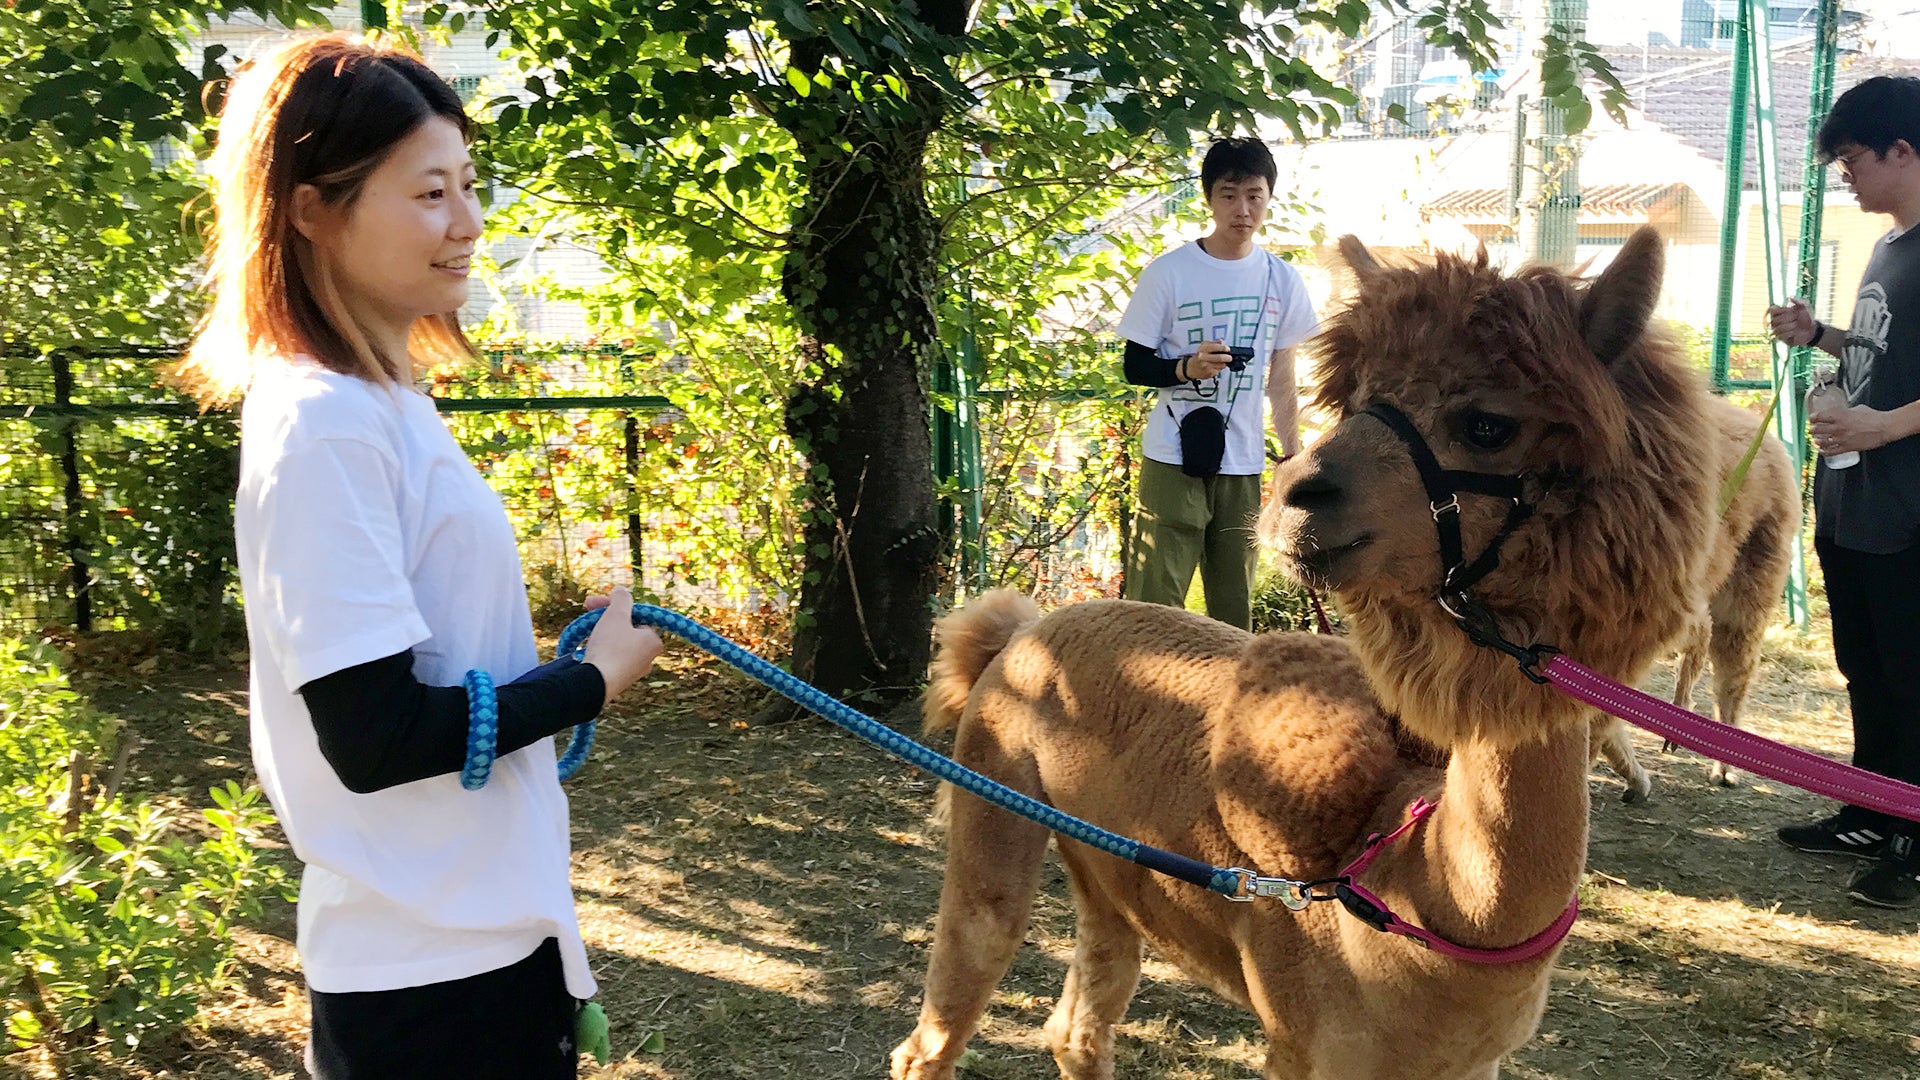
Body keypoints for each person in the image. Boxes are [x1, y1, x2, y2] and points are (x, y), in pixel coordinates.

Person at [171, 34, 665, 1075]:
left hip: (478, 949)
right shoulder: (322, 425)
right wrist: (586, 684)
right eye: (430, 192)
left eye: (469, 186)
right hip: (429, 988)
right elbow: (376, 736)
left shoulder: (381, 405)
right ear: (310, 208)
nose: (468, 224)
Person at [1767, 75, 1920, 910]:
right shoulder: (1892, 245)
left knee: (1909, 675)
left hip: (1908, 508)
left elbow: (1899, 398)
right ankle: (1869, 807)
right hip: (1857, 503)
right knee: (1864, 665)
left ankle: (1911, 835)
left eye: (1851, 159)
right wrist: (1821, 336)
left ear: (1903, 150)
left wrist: (1886, 427)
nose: (1845, 175)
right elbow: (1888, 348)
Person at [1117, 136, 1317, 630]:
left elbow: (1282, 376)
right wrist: (1185, 368)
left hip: (1243, 460)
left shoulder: (1282, 279)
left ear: (1269, 198)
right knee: (1153, 603)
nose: (1242, 209)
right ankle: (1139, 700)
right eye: (1228, 195)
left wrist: (1293, 455)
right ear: (1208, 199)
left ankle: (1224, 705)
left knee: (1234, 608)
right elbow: (1135, 366)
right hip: (1172, 455)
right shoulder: (1169, 274)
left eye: (1254, 195)